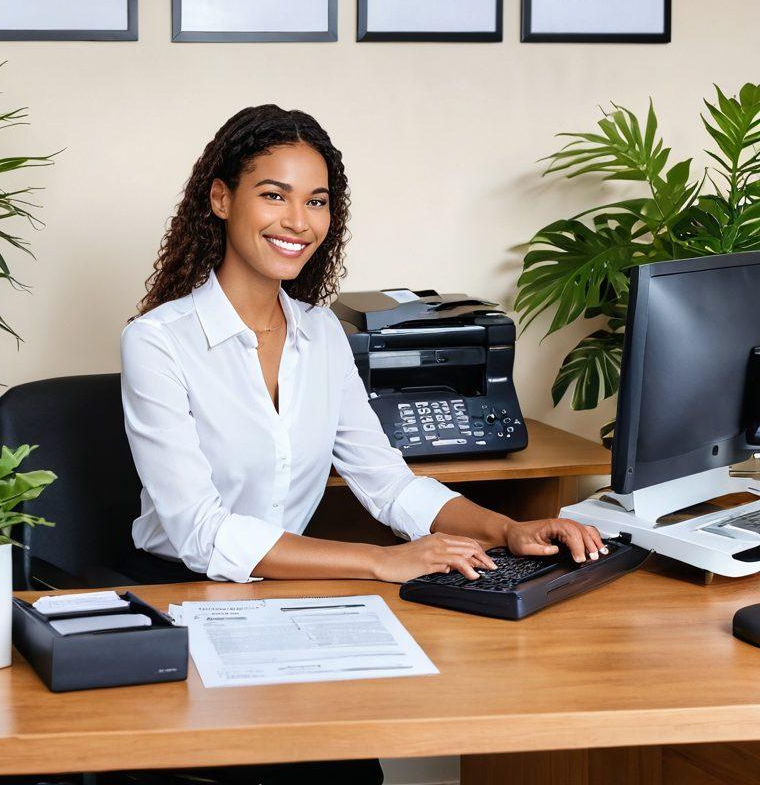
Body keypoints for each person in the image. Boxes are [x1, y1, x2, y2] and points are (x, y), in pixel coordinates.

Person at [116, 104, 604, 784]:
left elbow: (389, 482)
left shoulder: (321, 336)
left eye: (316, 201)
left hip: (280, 595)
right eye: (273, 195)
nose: (297, 220)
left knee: (353, 765)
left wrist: (506, 527)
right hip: (179, 595)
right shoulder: (157, 343)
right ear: (221, 199)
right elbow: (200, 533)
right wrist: (381, 563)